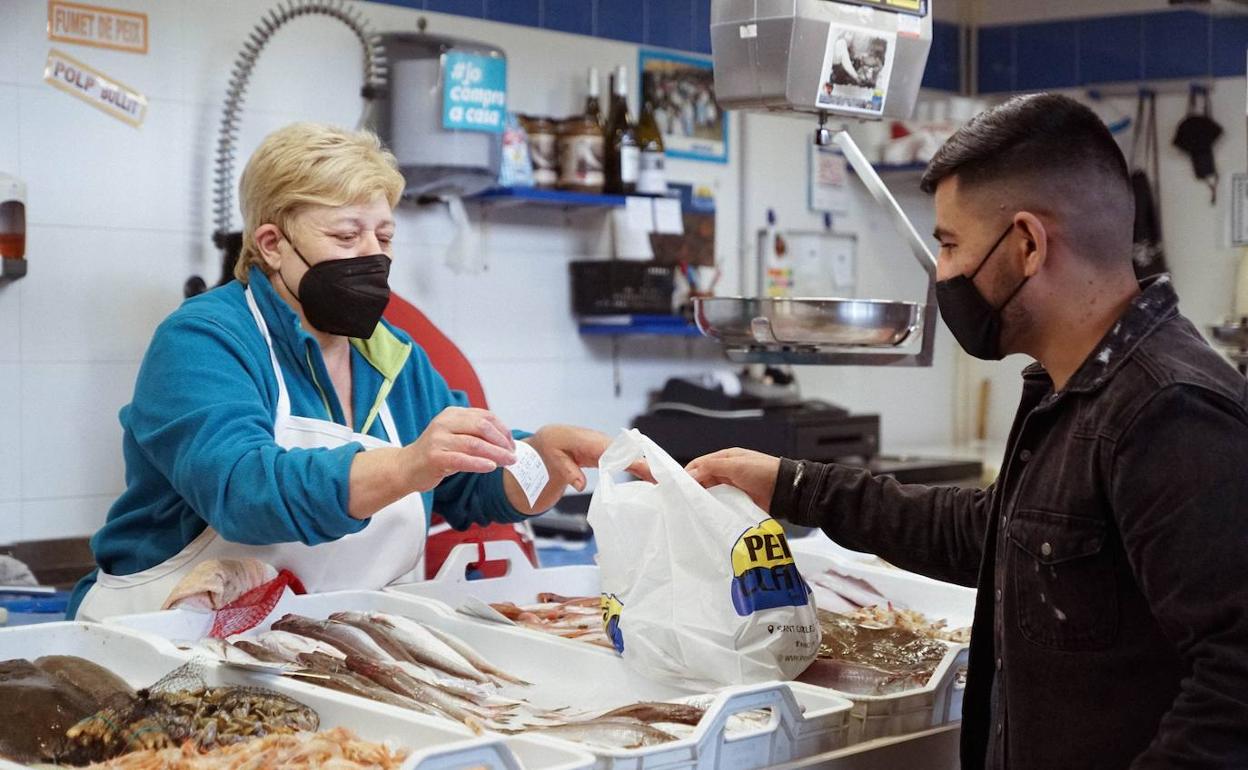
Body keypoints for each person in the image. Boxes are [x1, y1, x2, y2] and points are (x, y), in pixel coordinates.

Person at [687, 94, 1248, 769]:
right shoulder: (1067, 394)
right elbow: (987, 534)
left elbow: (1235, 687)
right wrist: (792, 484)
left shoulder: (1169, 412)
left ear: (1028, 245)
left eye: (950, 244)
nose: (943, 272)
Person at [69, 123, 630, 620]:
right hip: (165, 637)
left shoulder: (392, 356)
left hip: (319, 646)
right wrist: (406, 465)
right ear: (272, 245)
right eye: (345, 236)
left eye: (383, 237)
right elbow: (243, 492)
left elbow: (464, 481)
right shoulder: (203, 340)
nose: (372, 256)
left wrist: (539, 462)